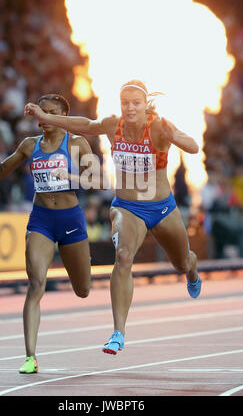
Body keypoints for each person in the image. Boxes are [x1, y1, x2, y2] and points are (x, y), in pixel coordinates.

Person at [24, 80, 202, 355]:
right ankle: (118, 332)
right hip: (127, 207)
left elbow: (193, 147)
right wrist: (45, 116)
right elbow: (82, 125)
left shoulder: (158, 126)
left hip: (162, 208)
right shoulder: (112, 125)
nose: (130, 108)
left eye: (136, 103)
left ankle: (192, 270)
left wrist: (175, 136)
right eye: (125, 103)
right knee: (123, 256)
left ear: (145, 106)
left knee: (181, 262)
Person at [0, 94, 93, 372]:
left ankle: (81, 270)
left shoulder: (76, 143)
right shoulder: (30, 145)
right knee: (36, 284)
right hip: (41, 219)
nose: (44, 118)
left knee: (83, 290)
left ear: (63, 115)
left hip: (71, 219)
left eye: (51, 113)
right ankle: (30, 356)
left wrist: (70, 177)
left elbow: (95, 179)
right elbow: (1, 172)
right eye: (42, 113)